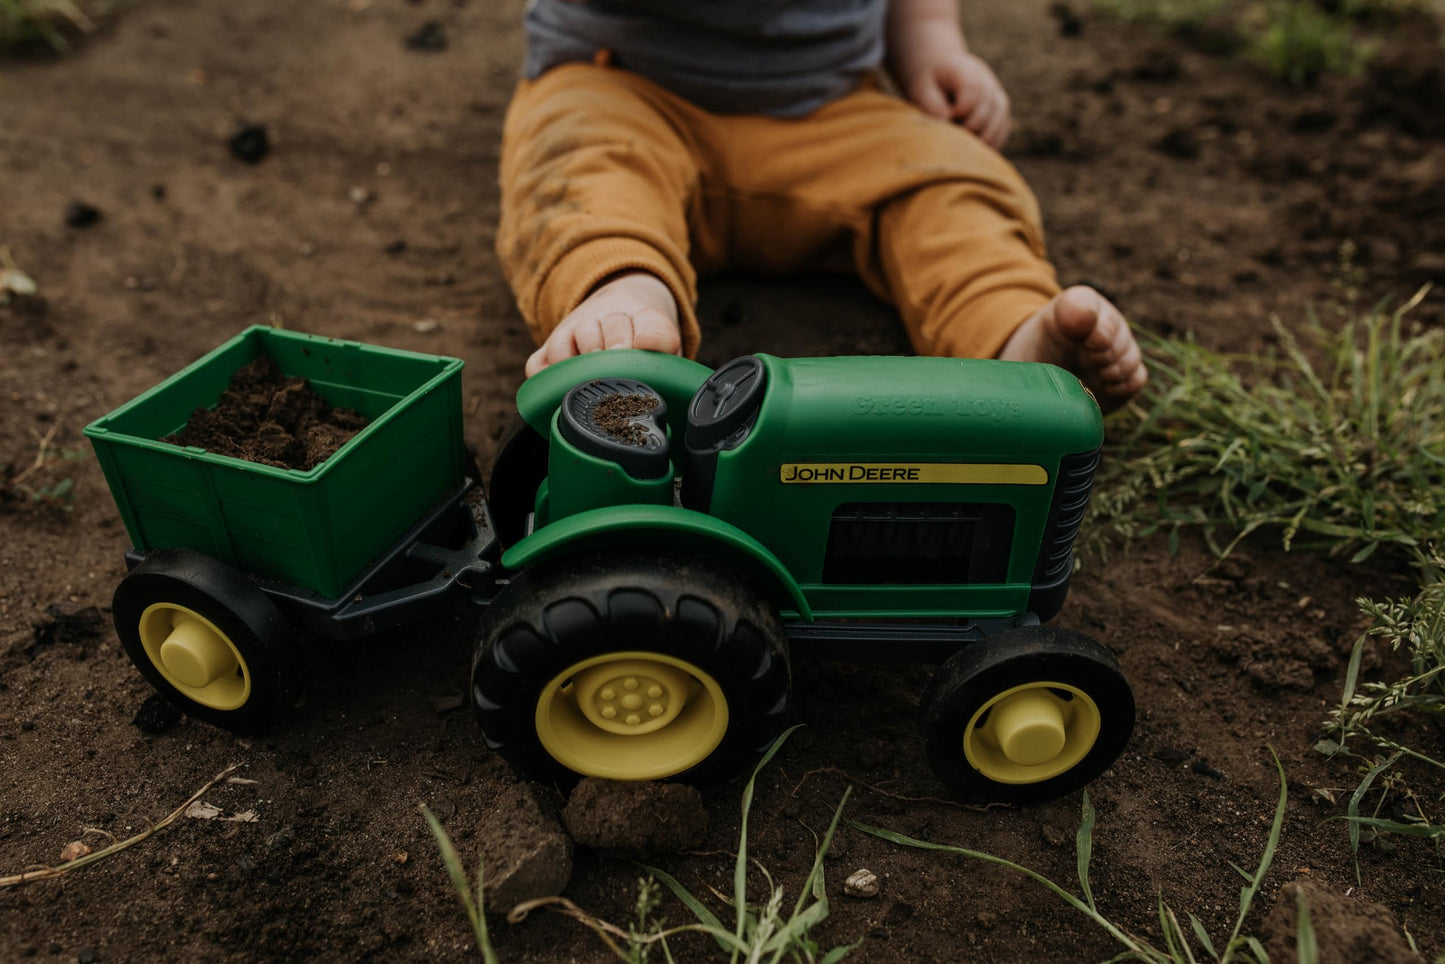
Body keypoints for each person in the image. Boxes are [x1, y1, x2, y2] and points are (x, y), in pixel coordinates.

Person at [495, 0, 1147, 410]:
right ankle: (622, 294)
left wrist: (934, 51)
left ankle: (1009, 332)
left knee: (949, 175)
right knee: (577, 164)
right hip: (626, 87)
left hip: (830, 109)